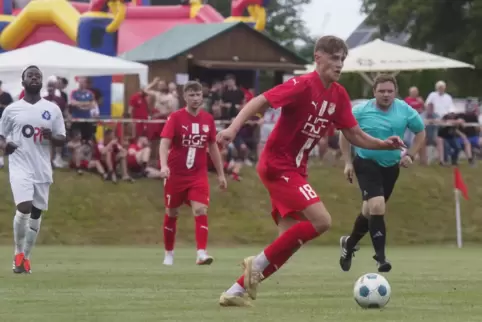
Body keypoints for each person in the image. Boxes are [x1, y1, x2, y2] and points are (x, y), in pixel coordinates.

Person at [216, 36, 405, 307]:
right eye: (334, 58)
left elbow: (353, 134)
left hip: (295, 170)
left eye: (342, 59)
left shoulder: (338, 94)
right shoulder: (302, 84)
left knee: (290, 240)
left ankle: (234, 291)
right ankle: (254, 264)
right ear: (318, 58)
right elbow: (260, 100)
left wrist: (383, 145)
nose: (339, 64)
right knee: (322, 221)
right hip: (277, 164)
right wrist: (233, 129)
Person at [338, 74, 426, 273]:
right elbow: (345, 133)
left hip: (391, 166)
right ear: (374, 92)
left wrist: (410, 154)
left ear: (395, 92)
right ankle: (381, 258)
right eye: (382, 91)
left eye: (390, 91)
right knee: (377, 206)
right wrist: (347, 163)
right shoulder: (361, 110)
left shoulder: (405, 110)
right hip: (366, 163)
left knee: (369, 211)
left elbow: (421, 132)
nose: (386, 95)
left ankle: (349, 243)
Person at [0, 66, 66, 274]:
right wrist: (4, 146)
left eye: (38, 75)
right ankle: (18, 252)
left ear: (42, 81)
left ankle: (25, 258)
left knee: (36, 213)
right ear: (23, 82)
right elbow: (1, 135)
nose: (35, 78)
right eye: (30, 75)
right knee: (25, 206)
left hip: (42, 168)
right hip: (20, 164)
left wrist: (51, 137)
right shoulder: (12, 109)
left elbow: (62, 138)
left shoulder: (53, 109)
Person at [159, 81, 227, 266]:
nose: (195, 98)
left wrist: (221, 174)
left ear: (202, 96)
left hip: (198, 175)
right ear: (184, 97)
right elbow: (164, 143)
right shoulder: (175, 118)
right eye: (191, 95)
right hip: (176, 174)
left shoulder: (208, 119)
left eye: (198, 95)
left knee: (200, 209)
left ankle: (201, 253)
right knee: (172, 213)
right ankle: (169, 253)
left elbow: (213, 147)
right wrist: (164, 166)